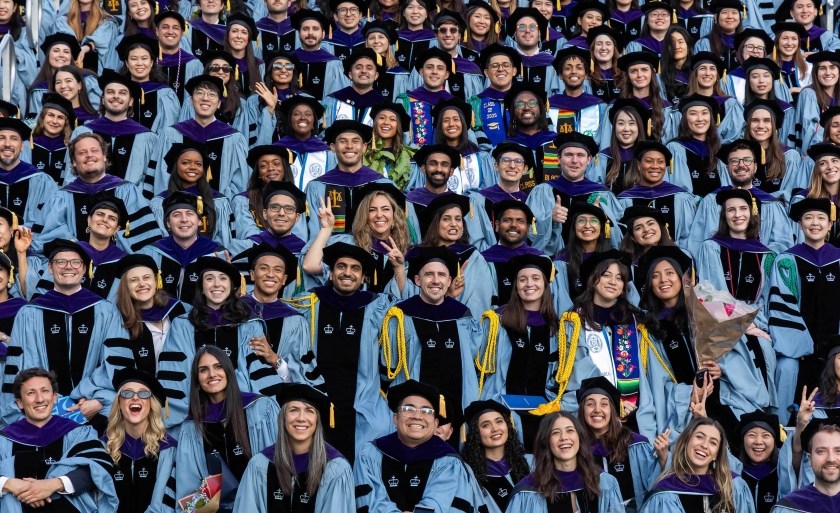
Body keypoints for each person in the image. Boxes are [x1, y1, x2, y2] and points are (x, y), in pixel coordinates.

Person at [637, 246, 772, 443]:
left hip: (722, 397)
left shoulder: (706, 311)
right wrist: (690, 393)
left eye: (669, 273)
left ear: (682, 277)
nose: (663, 280)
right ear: (650, 284)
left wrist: (722, 369)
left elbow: (734, 356)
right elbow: (657, 385)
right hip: (685, 407)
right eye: (656, 276)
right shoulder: (649, 330)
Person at [1, 239, 129, 430]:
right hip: (42, 409)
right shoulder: (29, 313)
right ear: (50, 268)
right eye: (60, 262)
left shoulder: (106, 311)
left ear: (84, 269)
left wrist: (98, 399)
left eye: (75, 262)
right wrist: (50, 400)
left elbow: (116, 362)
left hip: (93, 409)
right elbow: (21, 365)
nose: (68, 267)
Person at [286, 242, 395, 462]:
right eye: (341, 266)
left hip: (362, 404)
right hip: (314, 401)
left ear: (364, 277)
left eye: (355, 268)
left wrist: (400, 270)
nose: (347, 273)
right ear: (331, 272)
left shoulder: (376, 306)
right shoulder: (310, 303)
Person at [156, 258, 293, 431]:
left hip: (241, 411)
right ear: (202, 287)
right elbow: (177, 372)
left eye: (222, 278)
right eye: (209, 278)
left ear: (232, 286)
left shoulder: (250, 324)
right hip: (196, 411)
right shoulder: (183, 324)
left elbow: (257, 373)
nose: (216, 284)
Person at [476, 253, 594, 448]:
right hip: (502, 411)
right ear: (515, 286)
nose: (529, 284)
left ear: (546, 284)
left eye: (536, 278)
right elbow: (481, 371)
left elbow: (579, 374)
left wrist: (560, 405)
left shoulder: (561, 329)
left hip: (546, 412)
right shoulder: (496, 322)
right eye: (522, 279)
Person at [380, 247, 481, 446]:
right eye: (429, 275)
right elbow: (388, 364)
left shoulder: (463, 315)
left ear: (450, 280)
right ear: (417, 280)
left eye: (442, 275)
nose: (436, 280)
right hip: (414, 415)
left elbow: (471, 357)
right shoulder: (400, 316)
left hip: (458, 406)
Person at [695, 188, 778, 407]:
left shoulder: (766, 255)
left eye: (743, 209)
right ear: (724, 216)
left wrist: (754, 323)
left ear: (752, 214)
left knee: (766, 349)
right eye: (731, 210)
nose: (737, 214)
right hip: (721, 324)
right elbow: (709, 291)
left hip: (758, 322)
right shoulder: (711, 247)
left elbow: (767, 298)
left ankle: (765, 415)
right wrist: (744, 324)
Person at [174, 346, 281, 507]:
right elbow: (189, 489)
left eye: (218, 366)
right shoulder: (192, 428)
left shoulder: (260, 409)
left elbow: (278, 467)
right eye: (203, 370)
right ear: (197, 379)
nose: (212, 374)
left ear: (229, 371)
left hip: (262, 505)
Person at [0, 368, 118, 512]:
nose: (40, 399)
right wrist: (8, 483)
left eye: (45, 391)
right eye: (31, 393)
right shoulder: (4, 439)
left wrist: (54, 484)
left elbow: (98, 468)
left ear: (55, 397)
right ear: (19, 403)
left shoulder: (78, 434)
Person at [354, 379, 481, 512]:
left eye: (426, 411)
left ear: (435, 423)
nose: (417, 416)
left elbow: (442, 503)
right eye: (408, 409)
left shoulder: (450, 462)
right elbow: (369, 500)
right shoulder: (369, 454)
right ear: (395, 420)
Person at [769, 199, 840, 424]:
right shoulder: (787, 261)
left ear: (830, 225)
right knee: (787, 368)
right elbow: (782, 305)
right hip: (799, 350)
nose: (815, 223)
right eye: (808, 218)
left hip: (836, 347)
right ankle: (782, 431)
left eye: (821, 218)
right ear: (800, 225)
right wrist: (796, 345)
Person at [234, 383, 355, 513]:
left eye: (309, 411)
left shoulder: (335, 469)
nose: (301, 418)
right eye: (294, 410)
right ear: (283, 418)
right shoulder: (260, 464)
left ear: (317, 420)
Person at [687, 139, 795, 256]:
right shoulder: (712, 201)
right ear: (727, 168)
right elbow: (696, 242)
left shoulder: (770, 203)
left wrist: (763, 259)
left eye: (747, 160)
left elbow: (783, 243)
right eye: (734, 161)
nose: (741, 165)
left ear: (755, 167)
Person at [577, 377, 669, 512]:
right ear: (582, 410)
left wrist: (663, 457)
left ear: (612, 411)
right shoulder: (575, 448)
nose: (597, 409)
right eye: (590, 404)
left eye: (604, 404)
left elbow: (654, 484)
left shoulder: (635, 444)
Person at [64, 70, 159, 199]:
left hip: (131, 205)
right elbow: (71, 174)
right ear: (102, 100)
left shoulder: (147, 137)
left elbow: (150, 182)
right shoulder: (83, 132)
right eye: (110, 92)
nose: (116, 96)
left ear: (131, 101)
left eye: (122, 93)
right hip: (88, 202)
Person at [504, 411, 625, 512]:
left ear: (579, 437)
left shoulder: (604, 482)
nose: (564, 437)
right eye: (555, 433)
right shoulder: (527, 491)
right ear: (545, 441)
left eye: (570, 431)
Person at [526, 132, 622, 256]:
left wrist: (602, 217)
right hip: (553, 263)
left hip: (593, 263)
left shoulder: (602, 194)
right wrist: (550, 218)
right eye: (569, 155)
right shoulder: (542, 192)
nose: (574, 160)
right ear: (559, 158)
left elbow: (618, 237)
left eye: (580, 155)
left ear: (588, 159)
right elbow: (527, 231)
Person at [154, 75, 249, 198]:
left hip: (219, 209)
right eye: (199, 93)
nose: (205, 98)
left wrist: (222, 205)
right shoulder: (172, 134)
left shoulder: (234, 138)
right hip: (178, 208)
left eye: (212, 94)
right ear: (191, 101)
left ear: (219, 103)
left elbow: (239, 183)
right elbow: (163, 177)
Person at [640, 417, 755, 512]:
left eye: (713, 443)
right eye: (699, 437)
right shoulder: (665, 492)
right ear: (686, 442)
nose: (704, 445)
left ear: (716, 454)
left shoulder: (734, 486)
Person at [104, 368, 178, 513]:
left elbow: (164, 502)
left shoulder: (168, 449)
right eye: (127, 393)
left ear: (152, 404)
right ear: (119, 403)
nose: (135, 398)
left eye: (143, 393)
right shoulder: (103, 447)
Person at [304, 120, 395, 238]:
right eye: (342, 141)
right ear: (333, 147)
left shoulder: (383, 184)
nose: (349, 146)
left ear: (364, 147)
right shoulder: (316, 186)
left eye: (355, 141)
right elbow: (312, 231)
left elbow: (398, 229)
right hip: (329, 254)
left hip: (374, 253)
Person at [138, 191, 227, 303]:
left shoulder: (216, 253)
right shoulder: (150, 253)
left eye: (190, 213)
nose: (184, 219)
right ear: (168, 223)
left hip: (203, 318)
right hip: (162, 318)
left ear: (199, 221)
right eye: (177, 214)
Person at [150, 143, 240, 250]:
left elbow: (224, 237)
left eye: (198, 164)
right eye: (186, 163)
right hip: (172, 258)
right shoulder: (160, 201)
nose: (193, 167)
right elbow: (159, 237)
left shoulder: (219, 200)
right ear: (175, 166)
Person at [113, 254, 189, 375]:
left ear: (156, 280)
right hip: (144, 390)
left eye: (146, 277)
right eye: (134, 280)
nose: (141, 284)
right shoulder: (119, 321)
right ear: (125, 286)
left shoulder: (181, 309)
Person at [618, 141, 697, 249]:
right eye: (649, 161)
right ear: (638, 165)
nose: (655, 166)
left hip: (674, 257)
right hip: (637, 259)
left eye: (660, 162)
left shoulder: (681, 197)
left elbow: (688, 236)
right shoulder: (625, 199)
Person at [460, 399, 531, 513]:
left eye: (499, 421)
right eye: (486, 425)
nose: (495, 429)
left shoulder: (531, 463)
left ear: (508, 425)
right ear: (476, 433)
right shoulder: (468, 476)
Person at [57, 194, 131, 302]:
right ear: (89, 220)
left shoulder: (124, 263)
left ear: (117, 229)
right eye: (100, 214)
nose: (105, 220)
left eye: (112, 218)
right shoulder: (69, 253)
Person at [599, 51, 678, 149]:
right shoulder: (615, 106)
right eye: (634, 71)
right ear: (628, 75)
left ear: (653, 72)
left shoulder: (665, 108)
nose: (639, 75)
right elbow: (606, 143)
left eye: (644, 70)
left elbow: (667, 145)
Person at [467, 142, 534, 248]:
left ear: (525, 169)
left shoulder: (531, 202)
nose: (512, 166)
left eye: (518, 161)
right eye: (506, 160)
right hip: (488, 260)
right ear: (496, 166)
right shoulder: (478, 200)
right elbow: (475, 239)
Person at [480, 200, 546, 306]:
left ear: (528, 228)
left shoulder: (539, 259)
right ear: (497, 225)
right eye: (507, 220)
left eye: (520, 221)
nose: (514, 225)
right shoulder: (483, 260)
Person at [114, 34, 181, 133]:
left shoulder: (165, 93)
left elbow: (169, 130)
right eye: (134, 59)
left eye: (144, 58)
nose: (139, 63)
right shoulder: (117, 92)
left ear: (152, 62)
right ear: (127, 63)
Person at [0, 118, 58, 228]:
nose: (7, 144)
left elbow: (51, 222)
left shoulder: (42, 181)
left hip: (30, 242)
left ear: (22, 146)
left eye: (14, 139)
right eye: (1, 138)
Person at [27, 35, 102, 120]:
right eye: (56, 51)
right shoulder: (39, 90)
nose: (61, 55)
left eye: (66, 52)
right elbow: (37, 122)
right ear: (48, 56)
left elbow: (97, 111)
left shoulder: (87, 79)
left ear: (71, 57)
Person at [666, 94, 726, 197]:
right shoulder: (675, 148)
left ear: (711, 118)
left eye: (704, 113)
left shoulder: (718, 150)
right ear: (685, 119)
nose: (700, 119)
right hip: (688, 211)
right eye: (693, 114)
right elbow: (678, 190)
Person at [586, 97, 648, 195]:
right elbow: (594, 195)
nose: (626, 129)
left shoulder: (647, 159)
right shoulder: (602, 159)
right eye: (621, 123)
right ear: (614, 127)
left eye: (632, 123)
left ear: (639, 127)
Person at [775, 419, 840, 512]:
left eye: (838, 451)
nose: (831, 459)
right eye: (821, 451)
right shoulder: (789, 508)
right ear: (810, 459)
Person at [396, 48, 457, 147]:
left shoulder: (454, 103)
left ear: (446, 74)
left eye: (440, 68)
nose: (434, 72)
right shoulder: (406, 101)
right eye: (429, 67)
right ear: (421, 72)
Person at [503, 84, 557, 192]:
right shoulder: (505, 148)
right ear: (513, 112)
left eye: (532, 103)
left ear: (541, 108)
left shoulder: (556, 142)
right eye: (520, 104)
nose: (527, 107)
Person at [744, 98, 805, 193]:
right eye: (755, 120)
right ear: (748, 125)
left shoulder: (789, 156)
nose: (760, 125)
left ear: (774, 126)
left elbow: (789, 194)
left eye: (767, 121)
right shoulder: (736, 156)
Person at [547, 47, 607, 142]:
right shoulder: (549, 106)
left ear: (586, 74)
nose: (574, 72)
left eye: (579, 68)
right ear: (561, 75)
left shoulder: (599, 106)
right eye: (568, 68)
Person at [735, 410, 790, 513]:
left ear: (774, 441)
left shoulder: (783, 473)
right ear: (743, 440)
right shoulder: (736, 474)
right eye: (751, 435)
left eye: (766, 435)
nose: (758, 442)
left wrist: (801, 423)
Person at [290, 9, 350, 100]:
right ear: (299, 34)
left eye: (315, 29)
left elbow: (339, 96)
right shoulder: (288, 60)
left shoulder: (334, 64)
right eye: (305, 29)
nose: (310, 33)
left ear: (323, 34)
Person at [469, 44, 521, 149]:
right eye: (494, 65)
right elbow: (475, 135)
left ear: (514, 71)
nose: (500, 69)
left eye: (506, 65)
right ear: (486, 73)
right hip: (490, 159)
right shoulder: (476, 103)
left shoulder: (527, 99)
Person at [22, 92, 75, 184]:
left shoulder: (69, 146)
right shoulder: (29, 144)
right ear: (42, 117)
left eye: (60, 117)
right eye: (51, 115)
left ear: (65, 122)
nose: (54, 121)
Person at [53, 0, 119, 74]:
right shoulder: (63, 21)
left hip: (98, 77)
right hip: (68, 75)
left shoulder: (107, 22)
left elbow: (102, 40)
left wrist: (86, 48)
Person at [323, 49, 386, 126]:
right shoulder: (333, 100)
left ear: (376, 76)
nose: (363, 71)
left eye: (369, 68)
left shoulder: (383, 105)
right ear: (350, 74)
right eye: (358, 67)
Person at [363, 100, 416, 190]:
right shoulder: (362, 153)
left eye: (392, 119)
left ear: (398, 126)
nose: (386, 122)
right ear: (375, 123)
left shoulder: (408, 159)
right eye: (382, 118)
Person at [796, 50, 840, 155]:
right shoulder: (809, 95)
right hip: (820, 154)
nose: (828, 73)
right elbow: (810, 132)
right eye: (822, 68)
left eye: (832, 67)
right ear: (815, 73)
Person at [507, 8, 561, 94]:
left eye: (532, 27)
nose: (527, 30)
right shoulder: (505, 62)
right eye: (521, 27)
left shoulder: (552, 64)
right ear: (515, 36)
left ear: (539, 35)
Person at [156, 11, 203, 102]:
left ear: (181, 33)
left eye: (175, 28)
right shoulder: (148, 61)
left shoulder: (194, 64)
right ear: (157, 31)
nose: (170, 31)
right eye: (165, 27)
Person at [363, 20, 410, 101]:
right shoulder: (359, 71)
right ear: (367, 42)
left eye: (381, 37)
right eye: (371, 38)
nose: (376, 41)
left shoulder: (400, 74)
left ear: (388, 42)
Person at [224, 13, 263, 98]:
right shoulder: (219, 65)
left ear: (249, 37)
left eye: (244, 32)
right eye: (234, 31)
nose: (239, 36)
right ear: (227, 35)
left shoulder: (260, 66)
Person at [772, 22, 811, 104]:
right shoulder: (768, 66)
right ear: (777, 42)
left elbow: (817, 89)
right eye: (785, 38)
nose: (789, 43)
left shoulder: (808, 66)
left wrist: (794, 90)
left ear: (798, 43)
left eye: (794, 39)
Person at [587, 25, 626, 105]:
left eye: (608, 44)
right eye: (599, 44)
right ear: (593, 49)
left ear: (614, 49)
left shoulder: (625, 75)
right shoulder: (586, 77)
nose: (603, 48)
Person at [394, 0, 435, 69]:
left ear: (426, 14)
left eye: (420, 8)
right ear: (404, 13)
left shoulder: (435, 40)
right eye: (410, 7)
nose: (415, 12)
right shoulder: (394, 38)